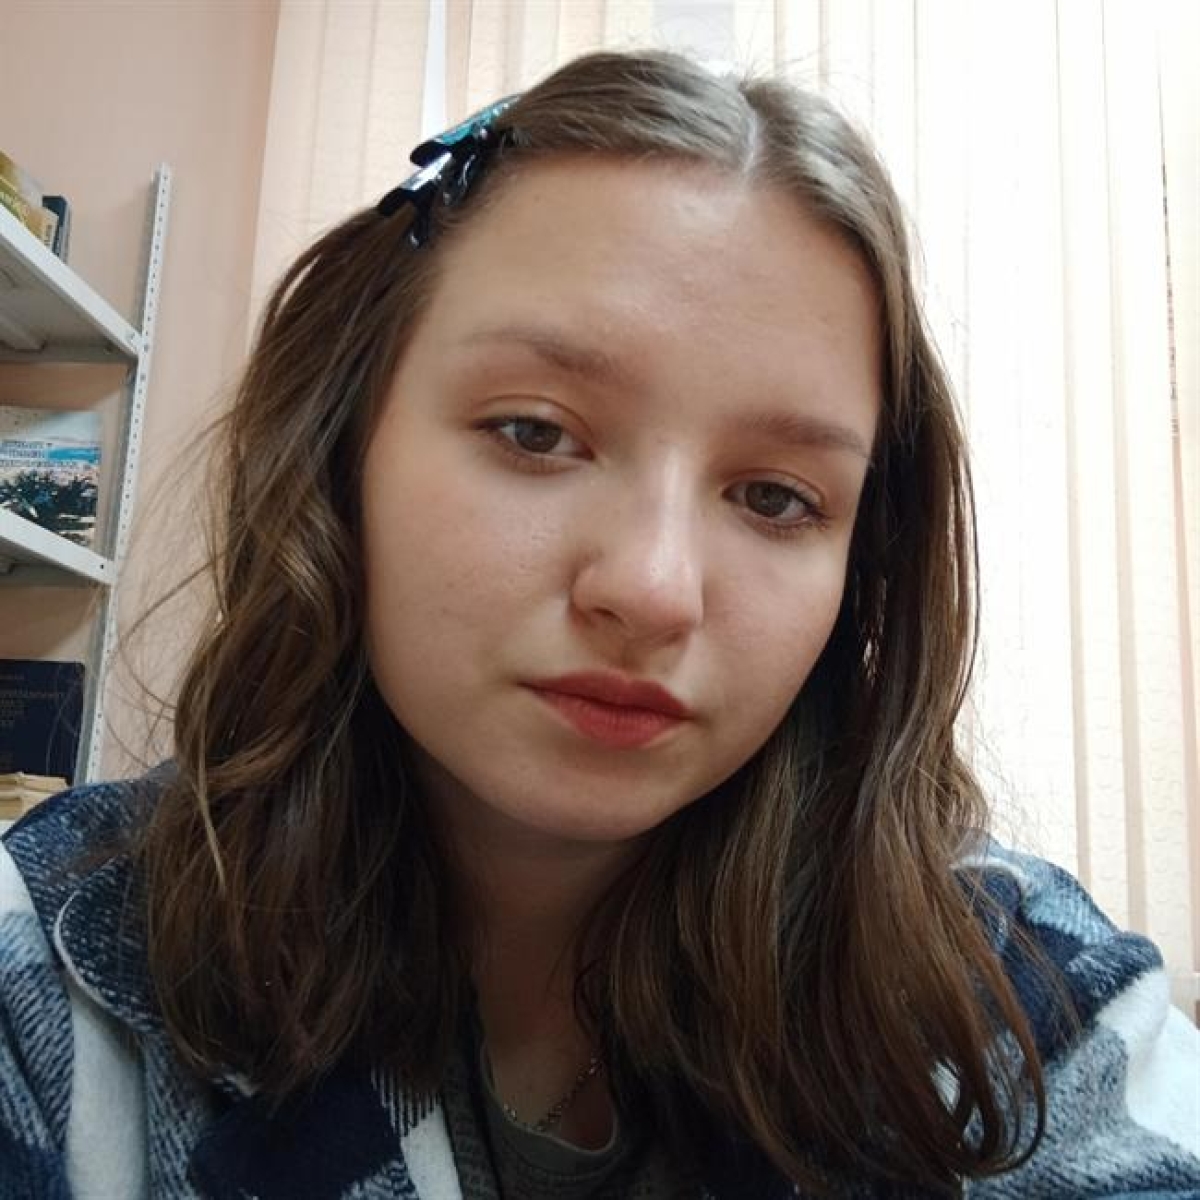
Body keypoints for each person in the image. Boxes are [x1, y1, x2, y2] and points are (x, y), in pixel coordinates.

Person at [1, 48, 1197, 1200]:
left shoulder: (1013, 996)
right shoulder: (54, 977)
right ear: (340, 449)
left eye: (775, 498)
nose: (654, 588)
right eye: (535, 432)